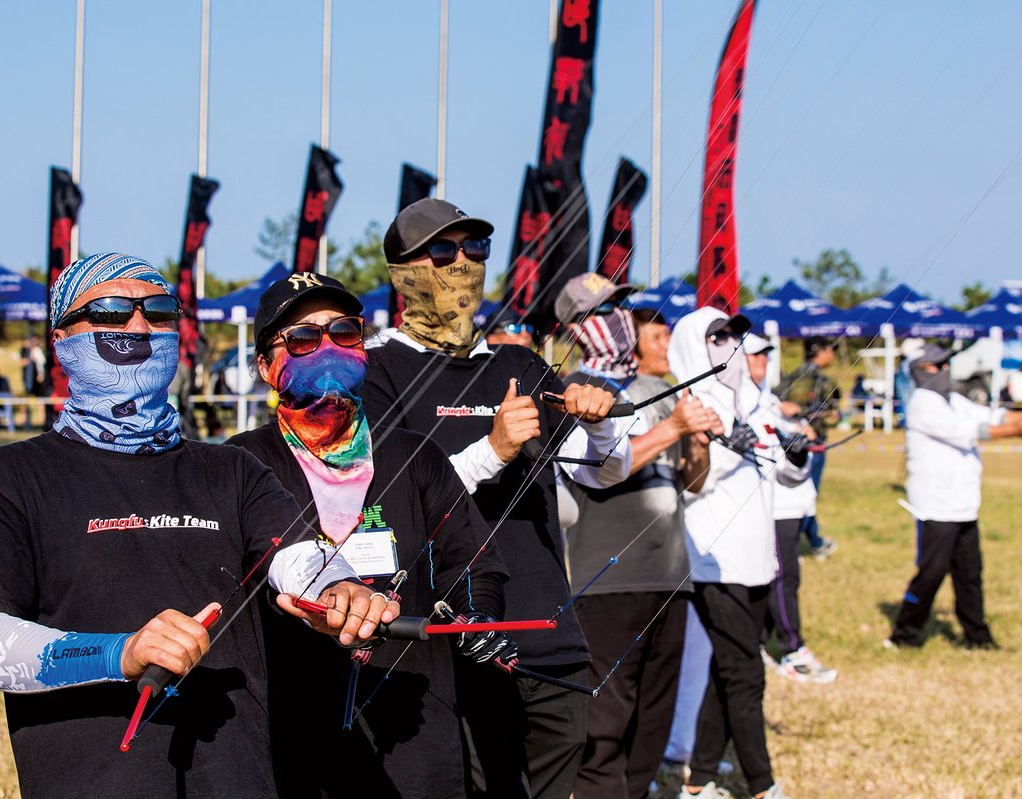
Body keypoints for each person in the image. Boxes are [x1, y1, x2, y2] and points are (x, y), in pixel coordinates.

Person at [0, 252, 399, 797]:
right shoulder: (11, 475)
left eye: (158, 310)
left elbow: (300, 558)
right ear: (60, 339)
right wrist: (118, 653)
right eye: (109, 312)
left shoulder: (232, 468)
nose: (137, 325)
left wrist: (340, 589)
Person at [363, 198, 631, 799]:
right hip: (455, 644)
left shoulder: (518, 362)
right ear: (404, 270)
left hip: (552, 639)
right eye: (441, 250)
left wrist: (601, 422)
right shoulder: (374, 369)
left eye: (475, 248)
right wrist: (494, 449)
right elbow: (389, 499)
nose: (462, 262)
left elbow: (606, 476)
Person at [228, 274, 511, 798]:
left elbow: (470, 560)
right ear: (268, 365)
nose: (328, 347)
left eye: (344, 331)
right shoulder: (239, 462)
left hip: (416, 733)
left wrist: (477, 616)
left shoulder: (413, 452)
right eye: (303, 339)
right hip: (288, 740)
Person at [559, 292, 722, 799]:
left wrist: (698, 444)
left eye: (622, 311)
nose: (620, 323)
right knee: (606, 718)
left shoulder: (660, 389)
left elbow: (693, 482)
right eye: (606, 315)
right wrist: (674, 427)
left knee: (655, 711)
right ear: (578, 328)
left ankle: (640, 789)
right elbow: (599, 473)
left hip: (670, 573)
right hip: (607, 579)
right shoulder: (575, 391)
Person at [668, 308, 810, 799]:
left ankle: (699, 780)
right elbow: (689, 486)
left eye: (733, 335)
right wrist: (730, 447)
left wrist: (796, 456)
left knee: (724, 671)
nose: (729, 344)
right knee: (746, 673)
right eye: (717, 336)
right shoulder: (687, 402)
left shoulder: (757, 401)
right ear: (692, 344)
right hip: (712, 559)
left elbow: (785, 475)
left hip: (757, 558)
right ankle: (763, 785)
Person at [885, 345, 1022, 650]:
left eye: (946, 363)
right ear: (919, 371)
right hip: (935, 505)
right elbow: (968, 430)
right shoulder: (923, 403)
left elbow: (991, 413)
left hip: (964, 504)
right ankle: (903, 636)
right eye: (936, 365)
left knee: (970, 574)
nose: (945, 369)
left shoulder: (953, 400)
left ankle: (978, 638)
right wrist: (1017, 430)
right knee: (932, 573)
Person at [744, 335, 837, 685]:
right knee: (785, 578)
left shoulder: (768, 400)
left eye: (766, 358)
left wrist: (800, 430)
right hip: (775, 506)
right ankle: (792, 651)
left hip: (794, 502)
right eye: (754, 358)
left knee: (781, 577)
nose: (762, 364)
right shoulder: (746, 405)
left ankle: (763, 644)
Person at [774, 336, 838, 559]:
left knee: (797, 496)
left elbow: (775, 403)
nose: (832, 353)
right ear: (820, 351)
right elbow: (833, 413)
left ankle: (815, 542)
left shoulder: (789, 378)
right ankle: (793, 548)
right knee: (806, 498)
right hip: (812, 446)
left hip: (786, 446)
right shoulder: (824, 381)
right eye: (830, 349)